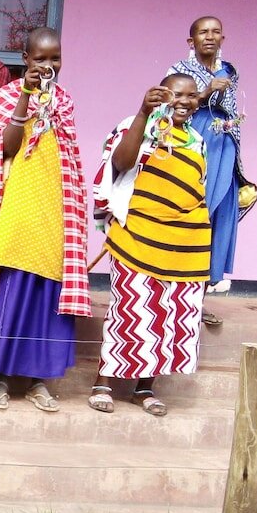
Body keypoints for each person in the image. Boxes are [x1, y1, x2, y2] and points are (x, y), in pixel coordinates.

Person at [0, 27, 90, 412]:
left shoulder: (66, 101)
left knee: (45, 298)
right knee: (10, 291)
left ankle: (38, 380)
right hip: (18, 208)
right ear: (25, 59)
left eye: (54, 58)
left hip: (55, 210)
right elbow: (6, 144)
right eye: (39, 59)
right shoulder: (10, 94)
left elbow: (69, 155)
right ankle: (1, 378)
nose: (47, 65)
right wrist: (25, 95)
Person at [88, 75, 210, 416]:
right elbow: (120, 164)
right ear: (161, 94)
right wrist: (143, 112)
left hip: (185, 242)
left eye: (191, 96)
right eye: (176, 95)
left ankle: (144, 388)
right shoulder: (134, 125)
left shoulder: (197, 140)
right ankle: (103, 382)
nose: (184, 102)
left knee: (168, 316)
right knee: (128, 310)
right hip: (137, 236)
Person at [169, 16, 257, 325]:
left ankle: (197, 302)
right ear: (191, 41)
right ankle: (176, 299)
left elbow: (230, 110)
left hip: (224, 145)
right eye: (203, 32)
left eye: (216, 32)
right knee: (193, 218)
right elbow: (170, 110)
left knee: (217, 222)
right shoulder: (177, 70)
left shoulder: (230, 69)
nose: (210, 36)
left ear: (223, 38)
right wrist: (206, 91)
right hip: (194, 145)